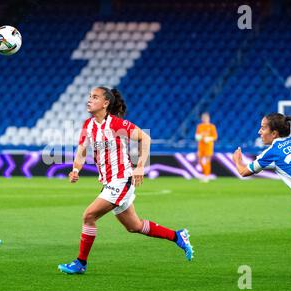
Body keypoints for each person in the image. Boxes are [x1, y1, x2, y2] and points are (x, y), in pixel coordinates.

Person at [58, 87, 194, 275]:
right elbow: (81, 150)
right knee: (134, 226)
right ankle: (178, 236)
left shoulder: (115, 124)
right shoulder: (88, 126)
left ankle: (81, 262)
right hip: (109, 182)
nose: (89, 100)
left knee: (89, 216)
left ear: (105, 104)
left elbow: (145, 138)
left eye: (95, 97)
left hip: (121, 180)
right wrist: (75, 169)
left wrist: (140, 166)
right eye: (89, 96)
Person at [232, 113, 291, 257]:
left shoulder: (272, 152)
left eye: (262, 128)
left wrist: (237, 160)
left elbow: (243, 172)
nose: (259, 132)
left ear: (274, 133)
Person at [195, 112, 218, 182]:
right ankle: (206, 174)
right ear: (202, 119)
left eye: (206, 118)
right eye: (203, 118)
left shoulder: (212, 126)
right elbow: (197, 136)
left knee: (207, 160)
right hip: (201, 146)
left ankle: (206, 176)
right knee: (199, 160)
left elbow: (215, 137)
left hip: (208, 145)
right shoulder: (199, 126)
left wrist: (209, 138)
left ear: (208, 118)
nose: (204, 119)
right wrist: (198, 137)